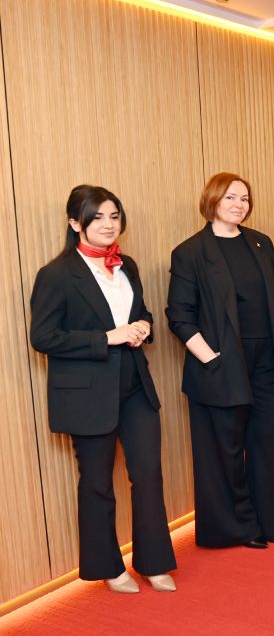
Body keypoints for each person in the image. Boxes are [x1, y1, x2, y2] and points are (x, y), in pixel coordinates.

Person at [30, 185, 176, 593]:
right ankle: (109, 568)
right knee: (96, 482)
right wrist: (106, 338)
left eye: (114, 216)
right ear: (75, 223)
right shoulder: (56, 275)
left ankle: (154, 562)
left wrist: (143, 326)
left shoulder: (127, 265)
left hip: (135, 385)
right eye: (97, 218)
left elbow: (141, 312)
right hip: (88, 394)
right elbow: (43, 337)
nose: (109, 225)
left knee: (148, 475)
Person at [166, 172, 274, 549]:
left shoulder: (260, 242)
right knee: (223, 451)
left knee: (271, 442)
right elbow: (179, 316)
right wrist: (211, 358)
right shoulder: (190, 252)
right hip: (222, 363)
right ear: (212, 200)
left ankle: (272, 522)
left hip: (268, 359)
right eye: (230, 198)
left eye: (244, 198)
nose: (239, 205)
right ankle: (237, 528)